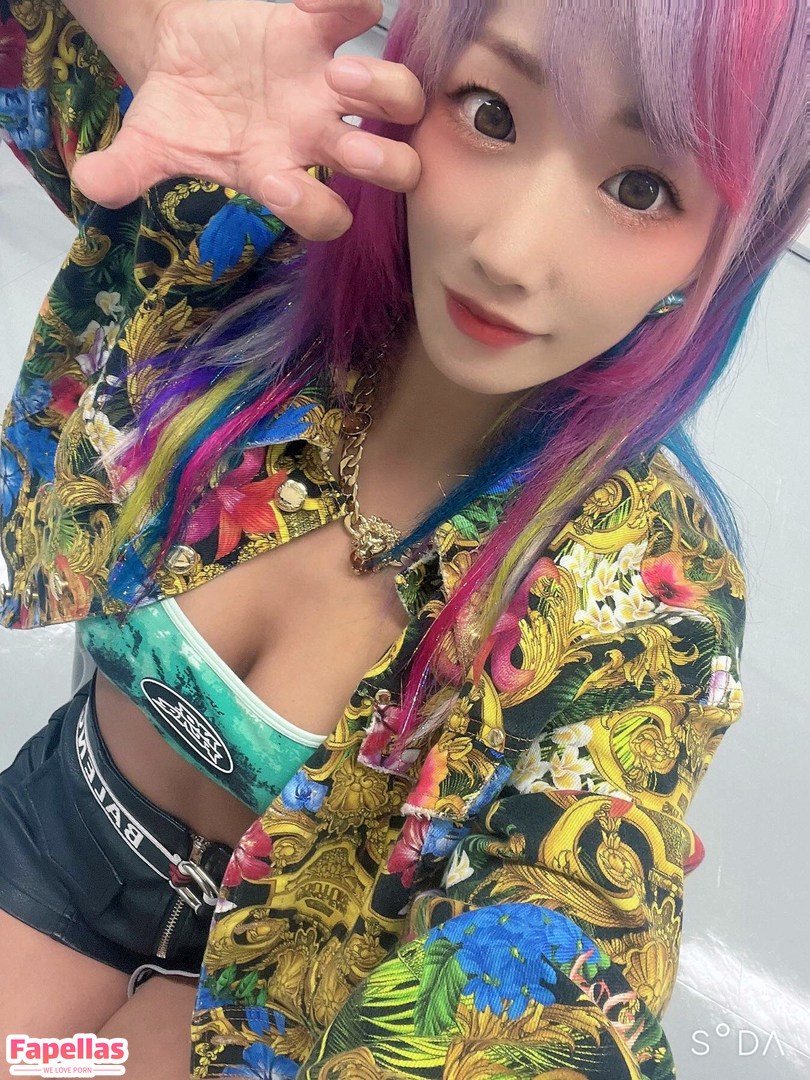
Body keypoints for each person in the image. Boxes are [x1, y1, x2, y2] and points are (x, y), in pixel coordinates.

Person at [0, 0, 805, 1076]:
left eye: (641, 188)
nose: (511, 252)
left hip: (279, 1013)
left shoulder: (650, 592)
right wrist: (155, 24)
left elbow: (554, 960)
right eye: (491, 113)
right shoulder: (251, 232)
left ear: (730, 241)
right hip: (56, 837)